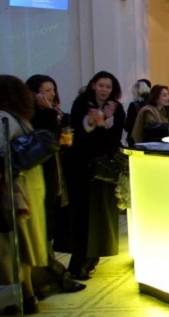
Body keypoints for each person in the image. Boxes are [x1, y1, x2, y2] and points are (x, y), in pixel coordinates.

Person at [0, 75, 50, 314]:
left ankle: (27, 297)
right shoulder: (21, 118)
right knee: (26, 241)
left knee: (17, 242)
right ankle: (29, 294)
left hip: (14, 188)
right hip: (32, 183)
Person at [56, 71, 125, 280]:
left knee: (101, 215)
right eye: (101, 85)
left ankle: (92, 258)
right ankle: (78, 263)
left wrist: (104, 122)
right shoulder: (81, 104)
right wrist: (100, 121)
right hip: (80, 167)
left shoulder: (117, 108)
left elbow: (114, 137)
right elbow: (80, 133)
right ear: (93, 85)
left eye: (108, 87)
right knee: (82, 215)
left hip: (103, 168)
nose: (104, 90)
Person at [25, 74, 86, 295]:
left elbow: (64, 144)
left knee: (49, 230)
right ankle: (55, 278)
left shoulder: (55, 114)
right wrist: (52, 116)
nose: (51, 94)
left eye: (53, 89)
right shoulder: (34, 116)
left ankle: (48, 278)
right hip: (40, 178)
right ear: (34, 93)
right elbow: (48, 143)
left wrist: (64, 127)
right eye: (46, 90)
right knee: (41, 231)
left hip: (57, 174)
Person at [124, 79, 151, 147]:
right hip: (149, 139)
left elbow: (128, 126)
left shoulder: (133, 105)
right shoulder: (152, 105)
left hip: (136, 140)